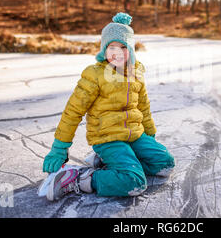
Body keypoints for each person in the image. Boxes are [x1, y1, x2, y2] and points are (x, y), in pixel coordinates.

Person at [42, 12, 175, 201]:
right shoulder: (95, 75)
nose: (117, 52)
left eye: (123, 46)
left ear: (131, 50)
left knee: (165, 164)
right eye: (112, 46)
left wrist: (150, 136)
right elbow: (73, 112)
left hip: (134, 134)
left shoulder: (136, 74)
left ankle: (112, 163)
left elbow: (143, 107)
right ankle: (80, 178)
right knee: (134, 181)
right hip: (107, 137)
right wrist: (59, 148)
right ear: (104, 49)